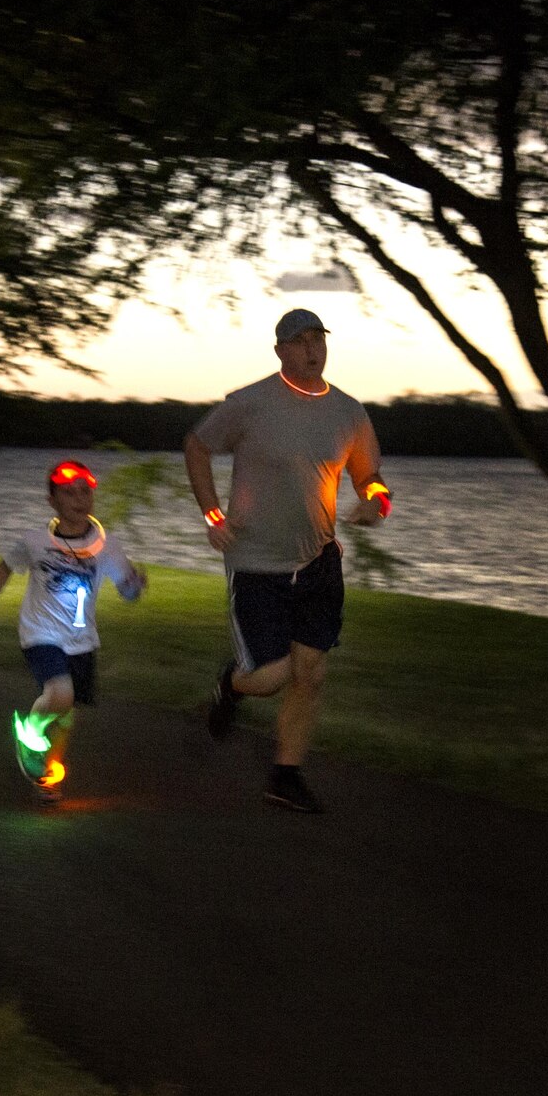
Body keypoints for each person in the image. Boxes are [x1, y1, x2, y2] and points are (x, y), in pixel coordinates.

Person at [183, 308, 391, 813]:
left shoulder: (348, 412)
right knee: (271, 676)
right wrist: (212, 514)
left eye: (318, 337)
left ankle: (286, 775)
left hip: (319, 562)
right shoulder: (252, 402)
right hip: (256, 562)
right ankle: (230, 685)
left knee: (310, 674)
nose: (311, 348)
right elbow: (197, 444)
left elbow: (372, 479)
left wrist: (375, 502)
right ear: (279, 351)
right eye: (299, 341)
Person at [0, 459, 147, 805]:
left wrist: (135, 586)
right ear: (52, 501)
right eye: (68, 492)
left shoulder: (106, 545)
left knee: (65, 714)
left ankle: (48, 775)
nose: (80, 499)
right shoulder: (35, 542)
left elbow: (126, 591)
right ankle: (29, 736)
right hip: (40, 634)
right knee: (61, 693)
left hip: (81, 639)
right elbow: (4, 569)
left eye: (85, 492)